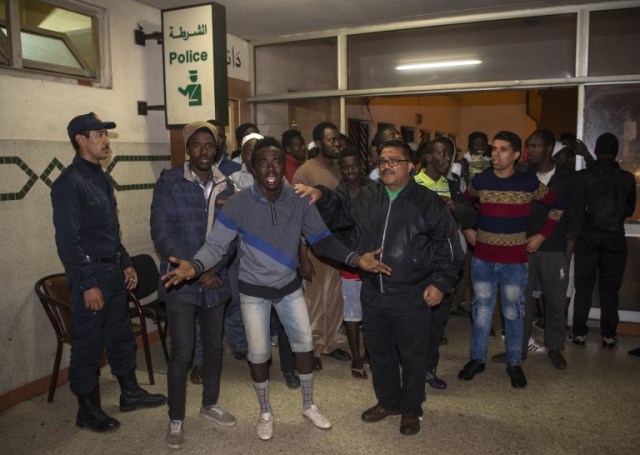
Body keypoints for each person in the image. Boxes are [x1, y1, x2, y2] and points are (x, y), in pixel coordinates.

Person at [161, 137, 391, 441]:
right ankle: (265, 411)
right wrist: (196, 265)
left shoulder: (299, 200)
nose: (271, 168)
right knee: (258, 355)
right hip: (253, 292)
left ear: (284, 166)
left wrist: (354, 258)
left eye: (277, 161)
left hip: (289, 288)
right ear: (254, 168)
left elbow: (322, 239)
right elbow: (216, 245)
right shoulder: (239, 203)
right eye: (263, 162)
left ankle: (309, 405)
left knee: (305, 346)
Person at [296, 139, 464, 436]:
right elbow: (339, 208)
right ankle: (388, 401)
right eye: (383, 161)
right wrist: (320, 193)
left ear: (411, 167)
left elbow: (449, 248)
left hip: (412, 295)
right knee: (380, 352)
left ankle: (411, 408)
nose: (386, 166)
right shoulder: (366, 196)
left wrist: (441, 283)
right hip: (373, 292)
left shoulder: (428, 203)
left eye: (394, 161)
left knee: (413, 356)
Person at [51, 112, 166, 433]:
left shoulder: (100, 176)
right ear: (80, 140)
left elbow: (109, 231)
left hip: (113, 272)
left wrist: (126, 260)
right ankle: (87, 410)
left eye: (105, 134)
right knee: (88, 344)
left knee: (120, 335)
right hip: (91, 276)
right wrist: (87, 284)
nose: (105, 140)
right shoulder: (69, 183)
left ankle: (129, 392)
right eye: (98, 134)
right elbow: (68, 242)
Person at [150, 121, 238, 449]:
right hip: (179, 281)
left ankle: (210, 404)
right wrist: (195, 269)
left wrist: (214, 267)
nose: (204, 151)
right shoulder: (169, 182)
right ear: (187, 149)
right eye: (197, 145)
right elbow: (162, 233)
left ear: (216, 149)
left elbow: (231, 236)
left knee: (214, 347)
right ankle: (176, 417)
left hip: (215, 278)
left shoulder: (225, 185)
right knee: (182, 351)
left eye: (209, 145)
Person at [458, 131, 563, 389]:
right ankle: (477, 359)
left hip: (515, 262)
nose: (496, 153)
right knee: (481, 312)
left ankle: (515, 363)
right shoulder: (481, 180)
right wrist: (468, 228)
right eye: (495, 149)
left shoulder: (528, 183)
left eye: (503, 149)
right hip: (482, 259)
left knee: (513, 314)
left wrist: (540, 236)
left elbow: (557, 205)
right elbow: (462, 204)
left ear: (516, 155)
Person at [494, 130, 581, 370]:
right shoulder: (522, 174)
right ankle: (518, 349)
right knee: (519, 302)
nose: (529, 150)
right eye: (528, 145)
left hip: (555, 251)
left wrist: (566, 256)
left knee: (554, 302)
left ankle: (555, 348)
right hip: (521, 250)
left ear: (549, 148)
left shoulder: (567, 179)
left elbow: (574, 219)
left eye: (535, 146)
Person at [414, 137, 476, 389]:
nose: (445, 159)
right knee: (415, 323)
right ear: (427, 156)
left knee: (437, 323)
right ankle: (410, 371)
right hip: (418, 265)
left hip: (444, 266)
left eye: (449, 155)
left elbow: (472, 215)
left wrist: (453, 206)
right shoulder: (413, 184)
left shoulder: (452, 185)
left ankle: (429, 369)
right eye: (440, 153)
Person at [292, 121, 351, 369]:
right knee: (314, 301)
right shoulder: (304, 172)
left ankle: (330, 343)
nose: (336, 143)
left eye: (338, 139)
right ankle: (312, 348)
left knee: (335, 298)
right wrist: (303, 255)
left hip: (338, 244)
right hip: (314, 247)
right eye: (330, 139)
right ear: (318, 143)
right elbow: (296, 219)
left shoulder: (342, 170)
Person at [570, 133, 636, 348]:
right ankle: (609, 334)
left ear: (596, 151)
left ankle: (579, 333)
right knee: (610, 289)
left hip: (588, 237)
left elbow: (577, 207)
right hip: (615, 238)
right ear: (616, 152)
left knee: (584, 287)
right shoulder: (627, 178)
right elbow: (630, 208)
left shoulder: (583, 177)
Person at [334, 146, 374, 380]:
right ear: (340, 168)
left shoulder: (375, 189)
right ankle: (356, 358)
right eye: (345, 166)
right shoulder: (336, 194)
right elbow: (334, 229)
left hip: (373, 257)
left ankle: (370, 353)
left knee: (372, 311)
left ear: (362, 167)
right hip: (349, 260)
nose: (350, 170)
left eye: (354, 165)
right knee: (352, 312)